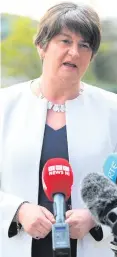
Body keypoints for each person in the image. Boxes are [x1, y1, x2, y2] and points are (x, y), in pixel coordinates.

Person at [0, 2, 117, 257]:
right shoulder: (4, 106)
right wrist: (17, 210)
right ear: (42, 46)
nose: (74, 52)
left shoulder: (112, 110)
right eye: (65, 41)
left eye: (84, 45)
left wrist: (96, 216)